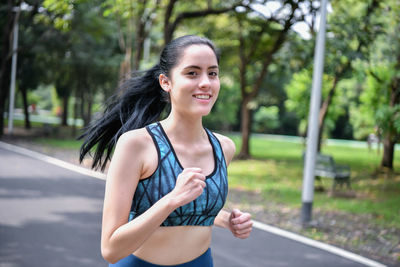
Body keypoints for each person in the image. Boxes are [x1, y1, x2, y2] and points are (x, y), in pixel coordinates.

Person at [79, 35, 253, 267]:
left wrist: (226, 219)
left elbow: (192, 209)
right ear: (165, 82)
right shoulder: (136, 145)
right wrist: (170, 200)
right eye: (192, 73)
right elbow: (111, 249)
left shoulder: (223, 148)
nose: (205, 82)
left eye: (212, 73)